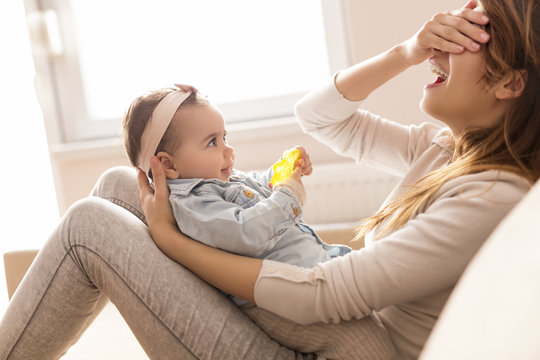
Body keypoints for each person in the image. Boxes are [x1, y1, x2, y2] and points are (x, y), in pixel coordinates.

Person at [0, 0, 537, 359]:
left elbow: (327, 296)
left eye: (470, 37)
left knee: (89, 225)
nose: (442, 45)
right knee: (124, 185)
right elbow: (322, 116)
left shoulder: (493, 194)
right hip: (328, 330)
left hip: (345, 346)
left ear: (511, 81)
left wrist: (170, 242)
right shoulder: (445, 150)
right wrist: (407, 51)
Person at [122, 85, 351, 307]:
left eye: (225, 137)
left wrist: (284, 170)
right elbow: (247, 232)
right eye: (212, 142)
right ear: (168, 164)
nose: (228, 149)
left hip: (317, 260)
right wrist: (288, 195)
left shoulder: (219, 179)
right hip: (292, 291)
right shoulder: (193, 204)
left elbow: (258, 185)